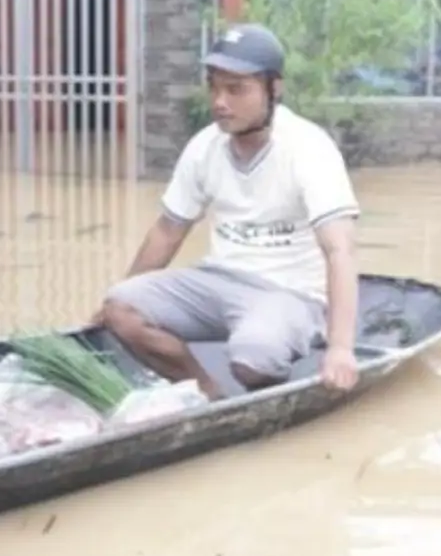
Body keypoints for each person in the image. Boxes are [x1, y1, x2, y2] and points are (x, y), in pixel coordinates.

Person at [98, 23, 362, 399]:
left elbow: (340, 250)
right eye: (214, 87)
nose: (220, 101)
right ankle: (208, 394)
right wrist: (109, 309)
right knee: (121, 307)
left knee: (253, 358)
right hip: (218, 281)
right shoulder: (205, 147)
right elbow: (167, 231)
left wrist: (340, 348)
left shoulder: (308, 149)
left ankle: (266, 385)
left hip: (287, 293)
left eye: (236, 89)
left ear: (274, 89)